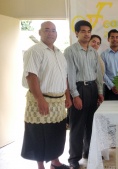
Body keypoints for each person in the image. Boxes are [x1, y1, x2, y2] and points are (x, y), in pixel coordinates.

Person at [21, 21, 71, 169]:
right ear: (40, 32)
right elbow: (31, 76)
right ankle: (41, 166)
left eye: (53, 30)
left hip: (58, 102)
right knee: (39, 134)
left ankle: (55, 162)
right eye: (47, 30)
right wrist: (40, 99)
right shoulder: (35, 51)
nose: (50, 33)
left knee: (56, 133)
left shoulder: (59, 52)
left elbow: (64, 77)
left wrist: (67, 96)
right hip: (41, 99)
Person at [64, 20, 104, 169]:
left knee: (91, 124)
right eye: (83, 31)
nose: (86, 34)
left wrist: (100, 92)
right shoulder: (70, 51)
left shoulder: (93, 51)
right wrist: (75, 95)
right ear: (76, 33)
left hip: (92, 88)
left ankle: (88, 152)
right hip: (79, 89)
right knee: (77, 126)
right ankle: (74, 158)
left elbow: (98, 73)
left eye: (88, 31)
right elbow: (70, 75)